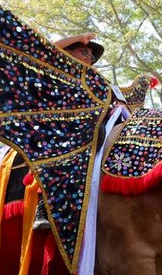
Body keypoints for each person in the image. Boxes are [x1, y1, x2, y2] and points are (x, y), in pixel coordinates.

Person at [33, 33, 110, 230]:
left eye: (91, 57)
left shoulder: (95, 82)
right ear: (67, 52)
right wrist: (79, 37)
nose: (88, 58)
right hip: (56, 125)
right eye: (84, 51)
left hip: (91, 124)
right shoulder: (57, 69)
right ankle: (44, 207)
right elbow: (48, 49)